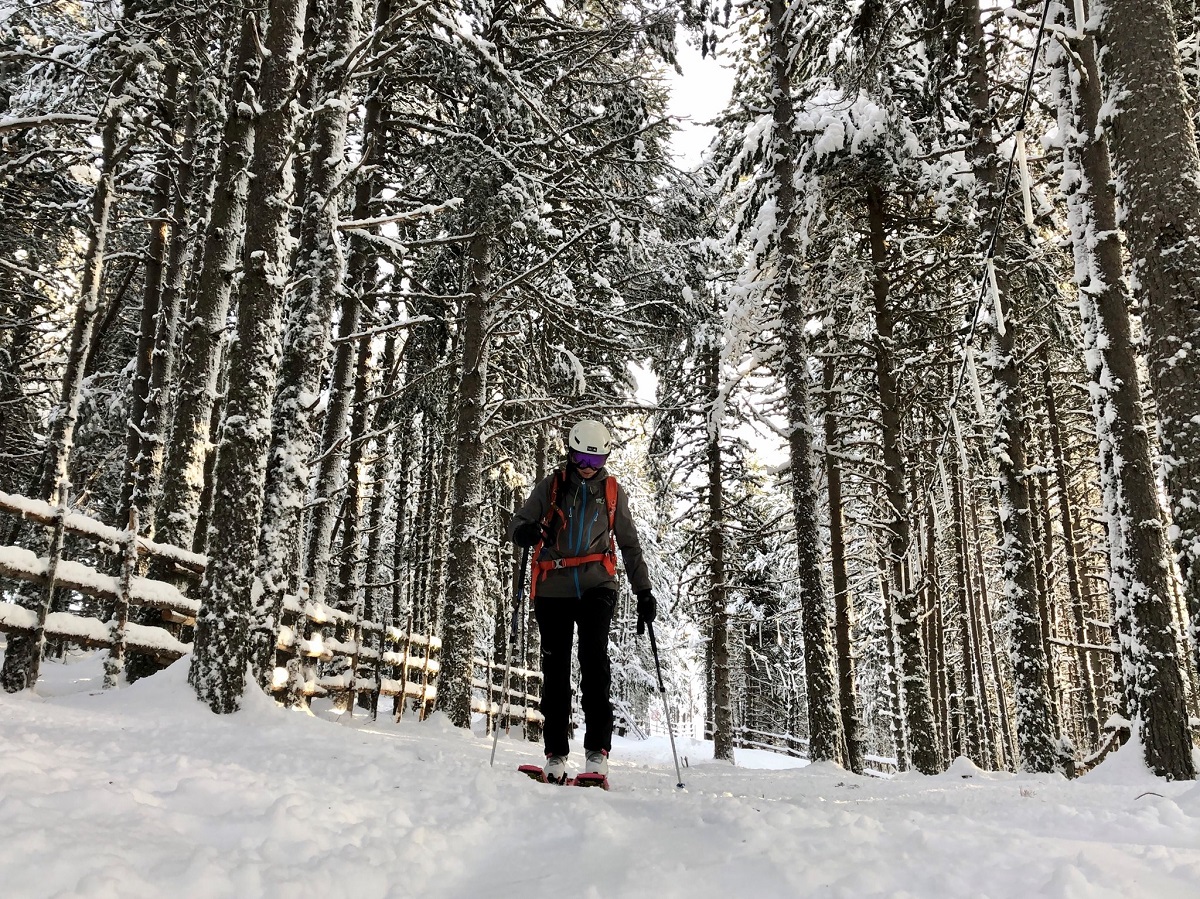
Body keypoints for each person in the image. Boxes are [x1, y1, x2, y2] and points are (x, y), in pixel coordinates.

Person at [510, 419, 657, 783]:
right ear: (570, 452)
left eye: (596, 460)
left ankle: (596, 753)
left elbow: (629, 543)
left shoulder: (611, 490)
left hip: (597, 585)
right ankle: (556, 755)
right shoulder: (554, 484)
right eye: (581, 458)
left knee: (595, 662)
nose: (588, 468)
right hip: (552, 587)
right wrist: (525, 530)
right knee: (556, 670)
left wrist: (644, 591)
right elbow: (518, 524)